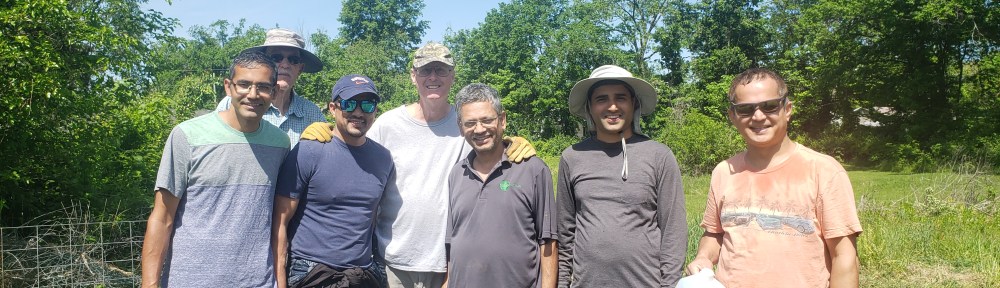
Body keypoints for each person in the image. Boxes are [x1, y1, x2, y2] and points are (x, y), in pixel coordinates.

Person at [301, 42, 537, 288]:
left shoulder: (466, 124)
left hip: (449, 262)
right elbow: (352, 147)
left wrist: (513, 143)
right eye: (425, 70)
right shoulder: (387, 123)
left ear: (453, 76)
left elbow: (491, 144)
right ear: (413, 76)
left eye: (441, 70)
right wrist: (326, 129)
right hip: (392, 262)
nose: (433, 77)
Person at [686, 68, 862, 288]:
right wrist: (703, 257)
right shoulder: (723, 171)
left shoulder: (823, 170)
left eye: (769, 106)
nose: (758, 116)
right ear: (732, 116)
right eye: (745, 109)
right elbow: (714, 234)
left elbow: (844, 257)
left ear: (787, 109)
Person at [141, 51, 290, 287]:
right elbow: (162, 217)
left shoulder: (280, 144)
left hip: (257, 281)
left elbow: (278, 221)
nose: (253, 94)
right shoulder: (188, 136)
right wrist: (149, 284)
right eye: (244, 84)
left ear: (273, 92)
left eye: (262, 87)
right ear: (228, 87)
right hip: (191, 280)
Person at [557, 65, 686, 288]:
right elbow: (565, 231)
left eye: (621, 98)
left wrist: (669, 285)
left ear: (634, 103)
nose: (612, 106)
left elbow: (673, 231)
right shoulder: (572, 157)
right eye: (601, 99)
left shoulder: (659, 155)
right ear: (589, 107)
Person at [272, 74, 393, 288]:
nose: (358, 112)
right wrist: (280, 281)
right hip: (313, 272)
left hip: (362, 273)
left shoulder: (383, 158)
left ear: (375, 110)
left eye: (367, 104)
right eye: (348, 104)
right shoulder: (309, 151)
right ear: (332, 108)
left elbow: (371, 216)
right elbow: (280, 221)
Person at [443, 83, 557, 288]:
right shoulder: (457, 173)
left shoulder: (533, 169)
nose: (479, 129)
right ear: (461, 127)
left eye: (487, 120)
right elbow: (453, 243)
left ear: (502, 120)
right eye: (470, 123)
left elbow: (548, 243)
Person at [216, 28, 325, 147]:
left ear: (300, 69)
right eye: (276, 58)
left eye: (293, 60)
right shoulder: (233, 103)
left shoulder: (312, 113)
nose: (285, 64)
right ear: (264, 63)